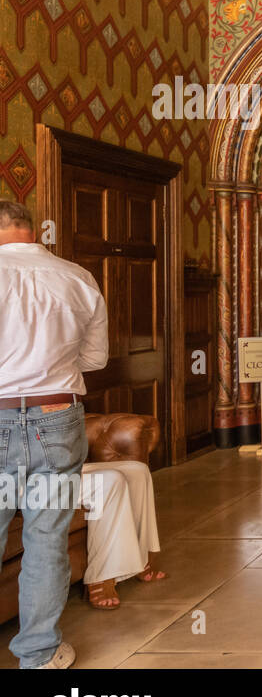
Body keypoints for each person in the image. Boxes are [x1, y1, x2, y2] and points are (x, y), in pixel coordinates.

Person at [0, 200, 108, 668]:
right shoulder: (78, 278)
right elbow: (95, 361)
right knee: (46, 538)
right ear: (30, 230)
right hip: (56, 417)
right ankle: (40, 655)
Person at [81, 459, 167, 610]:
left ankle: (139, 559)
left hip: (62, 467)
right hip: (36, 479)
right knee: (109, 481)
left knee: (137, 471)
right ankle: (100, 576)